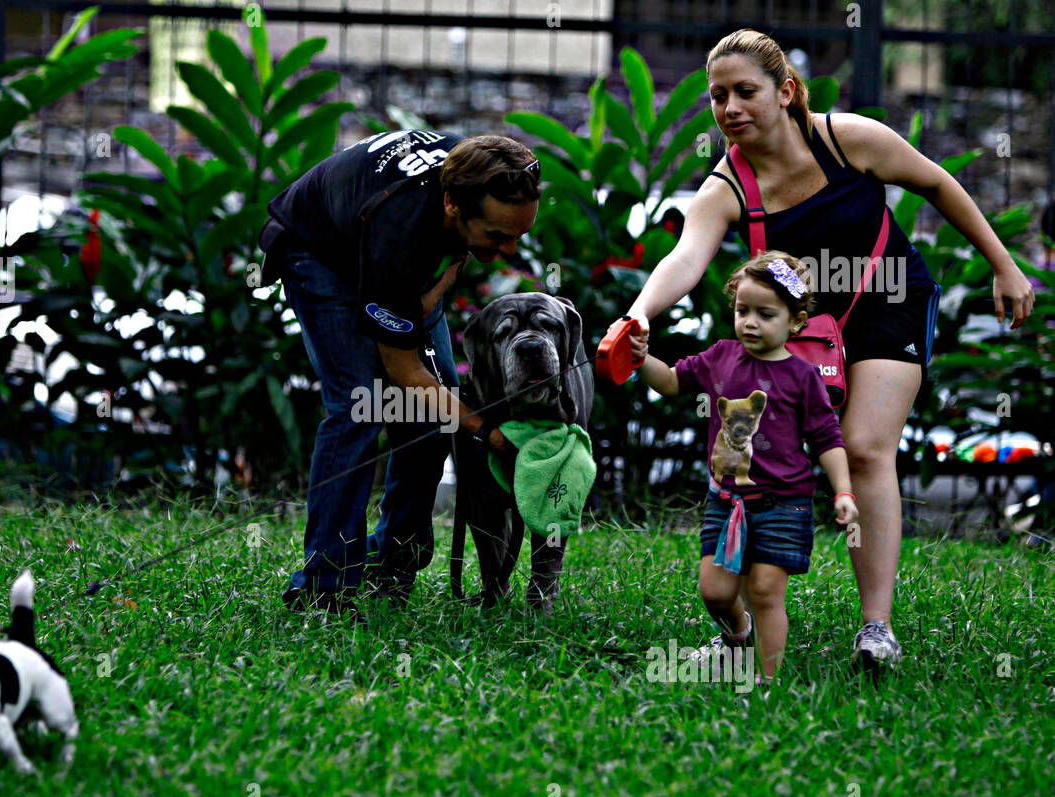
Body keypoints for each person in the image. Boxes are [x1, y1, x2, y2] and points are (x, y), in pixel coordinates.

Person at [611, 28, 1035, 668]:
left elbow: (939, 185)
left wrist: (1004, 266)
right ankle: (743, 626)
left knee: (865, 448)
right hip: (807, 331)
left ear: (785, 92)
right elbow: (687, 257)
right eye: (718, 96)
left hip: (889, 300)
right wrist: (638, 313)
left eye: (745, 92)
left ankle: (876, 628)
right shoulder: (728, 187)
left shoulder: (849, 138)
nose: (730, 109)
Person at [259, 131, 541, 612]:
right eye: (497, 236)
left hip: (387, 253)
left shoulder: (482, 173)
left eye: (518, 235)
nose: (510, 250)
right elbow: (406, 374)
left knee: (433, 415)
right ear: (453, 205)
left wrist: (425, 299)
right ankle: (323, 586)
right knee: (360, 406)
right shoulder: (400, 231)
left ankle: (394, 562)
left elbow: (428, 302)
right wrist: (489, 433)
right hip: (319, 251)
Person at [636, 251, 857, 683]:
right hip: (726, 500)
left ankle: (765, 680)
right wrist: (639, 357)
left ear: (795, 322)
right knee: (715, 592)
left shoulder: (803, 376)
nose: (750, 322)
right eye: (743, 311)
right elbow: (670, 382)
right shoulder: (721, 358)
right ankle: (739, 635)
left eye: (765, 314)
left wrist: (844, 491)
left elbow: (828, 438)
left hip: (783, 505)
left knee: (764, 591)